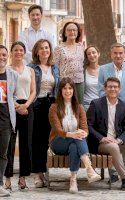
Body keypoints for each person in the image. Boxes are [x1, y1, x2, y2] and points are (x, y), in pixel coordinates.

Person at [49, 77, 101, 193]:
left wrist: (81, 133)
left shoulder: (79, 107)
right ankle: (89, 168)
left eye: (70, 88)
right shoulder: (54, 107)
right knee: (77, 138)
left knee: (74, 145)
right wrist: (73, 134)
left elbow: (85, 129)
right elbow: (58, 130)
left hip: (74, 141)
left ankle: (73, 180)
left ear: (74, 90)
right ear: (60, 91)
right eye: (65, 88)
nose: (67, 91)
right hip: (58, 142)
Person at [98, 43, 125, 182]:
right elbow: (100, 90)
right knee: (111, 140)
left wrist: (123, 108)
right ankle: (114, 174)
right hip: (108, 111)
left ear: (124, 54)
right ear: (111, 54)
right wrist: (112, 105)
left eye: (121, 53)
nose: (118, 55)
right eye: (115, 53)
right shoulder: (103, 69)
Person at [28, 39, 60, 188]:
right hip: (37, 104)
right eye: (41, 48)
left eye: (47, 48)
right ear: (36, 51)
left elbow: (58, 87)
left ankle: (45, 172)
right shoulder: (31, 67)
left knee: (48, 140)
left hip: (51, 104)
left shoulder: (54, 68)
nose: (44, 50)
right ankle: (37, 174)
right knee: (37, 140)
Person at [5, 41, 36, 191]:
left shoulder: (30, 70)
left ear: (24, 52)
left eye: (21, 50)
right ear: (11, 52)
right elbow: (6, 93)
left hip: (27, 108)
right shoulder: (7, 70)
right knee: (9, 144)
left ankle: (23, 177)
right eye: (15, 50)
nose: (18, 52)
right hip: (11, 107)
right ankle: (8, 178)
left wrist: (25, 106)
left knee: (26, 144)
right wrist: (17, 106)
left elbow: (33, 91)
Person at [0, 45, 18, 197]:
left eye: (4, 55)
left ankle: (0, 184)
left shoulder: (12, 75)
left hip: (6, 120)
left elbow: (12, 97)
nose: (2, 57)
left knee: (3, 154)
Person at [54, 22, 85, 104]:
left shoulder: (81, 47)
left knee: (79, 107)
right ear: (65, 32)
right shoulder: (59, 48)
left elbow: (84, 64)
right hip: (65, 83)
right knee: (65, 107)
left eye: (74, 30)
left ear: (78, 32)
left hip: (79, 82)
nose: (72, 32)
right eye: (69, 30)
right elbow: (55, 68)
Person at [83, 45, 100, 111]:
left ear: (98, 54)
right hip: (87, 106)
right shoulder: (83, 71)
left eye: (93, 52)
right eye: (89, 54)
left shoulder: (104, 70)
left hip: (100, 106)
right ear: (87, 57)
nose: (92, 55)